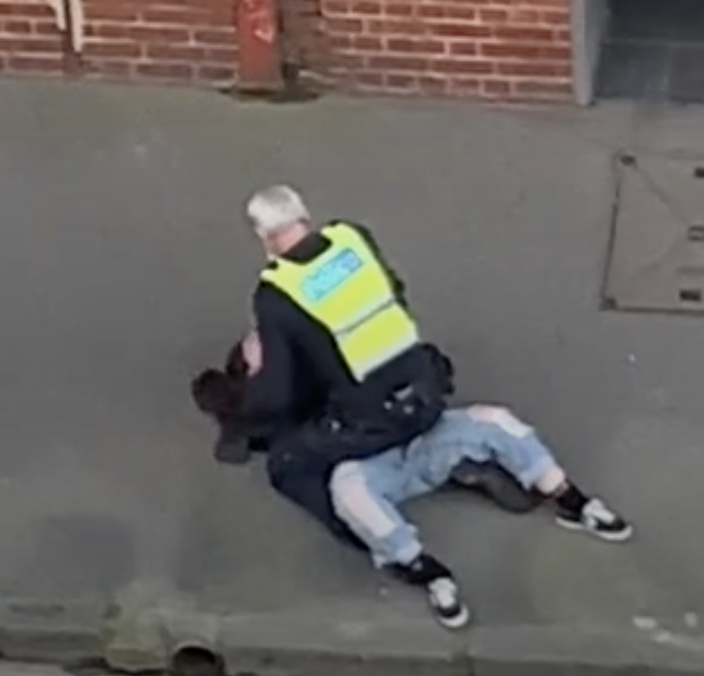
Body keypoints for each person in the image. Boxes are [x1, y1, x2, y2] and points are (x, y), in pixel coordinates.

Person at [191, 335, 633, 632]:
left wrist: (417, 385)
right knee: (350, 492)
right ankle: (425, 569)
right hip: (369, 467)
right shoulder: (288, 435)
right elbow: (318, 495)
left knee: (494, 421)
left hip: (411, 435)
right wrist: (368, 534)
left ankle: (571, 499)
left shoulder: (332, 360)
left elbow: (429, 366)